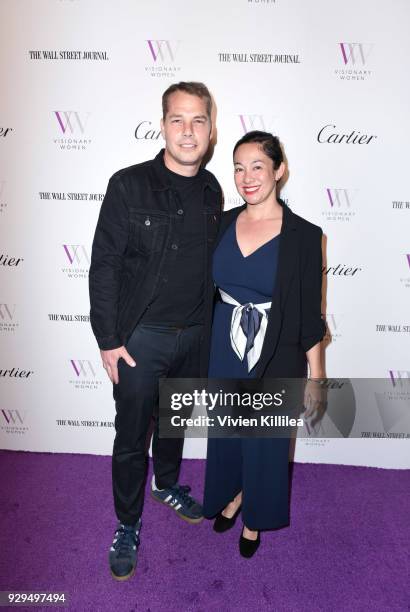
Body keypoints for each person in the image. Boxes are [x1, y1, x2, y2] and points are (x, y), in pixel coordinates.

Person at [89, 82, 222, 580]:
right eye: (177, 120)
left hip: (194, 335)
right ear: (162, 124)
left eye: (198, 121)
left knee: (174, 423)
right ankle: (127, 523)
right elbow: (104, 265)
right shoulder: (129, 184)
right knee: (131, 436)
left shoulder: (212, 188)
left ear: (211, 130)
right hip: (142, 336)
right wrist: (108, 338)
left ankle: (166, 484)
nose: (188, 132)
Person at [202, 130, 326, 558]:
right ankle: (234, 494)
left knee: (266, 440)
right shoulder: (220, 223)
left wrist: (317, 376)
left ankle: (255, 516)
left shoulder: (305, 236)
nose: (247, 176)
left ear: (279, 170)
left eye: (257, 165)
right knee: (230, 433)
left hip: (277, 349)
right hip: (224, 342)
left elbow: (310, 312)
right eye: (239, 167)